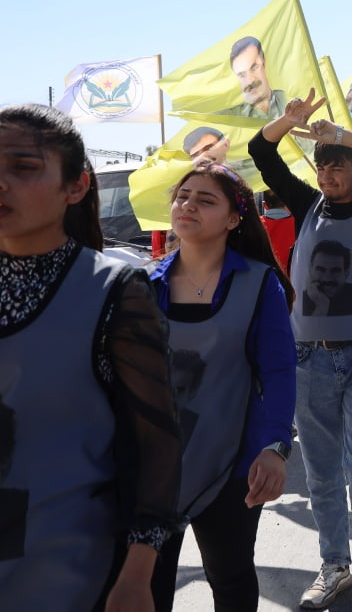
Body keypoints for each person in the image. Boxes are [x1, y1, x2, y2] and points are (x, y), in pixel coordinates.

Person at [0, 104, 183, 609]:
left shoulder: (115, 290)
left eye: (23, 167)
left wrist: (138, 572)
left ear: (76, 187)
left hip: (67, 573)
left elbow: (157, 443)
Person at [249, 89, 352, 612]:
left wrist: (343, 134)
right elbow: (261, 152)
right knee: (321, 472)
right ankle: (334, 566)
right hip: (309, 358)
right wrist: (288, 121)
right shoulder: (305, 206)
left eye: (338, 165)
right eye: (322, 166)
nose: (327, 175)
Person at [149, 164, 296, 611]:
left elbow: (279, 371)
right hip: (154, 467)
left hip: (232, 466)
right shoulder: (141, 285)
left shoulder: (259, 283)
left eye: (205, 199)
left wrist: (275, 447)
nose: (188, 205)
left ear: (234, 218)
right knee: (149, 586)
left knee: (230, 579)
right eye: (183, 196)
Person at [219, 37, 287, 120]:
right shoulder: (228, 118)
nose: (250, 81)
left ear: (264, 63)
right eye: (242, 75)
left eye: (254, 68)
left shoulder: (290, 100)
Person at [261, 189, 295, 272]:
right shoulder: (299, 224)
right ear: (288, 202)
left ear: (264, 205)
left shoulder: (255, 224)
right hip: (291, 278)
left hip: (263, 277)